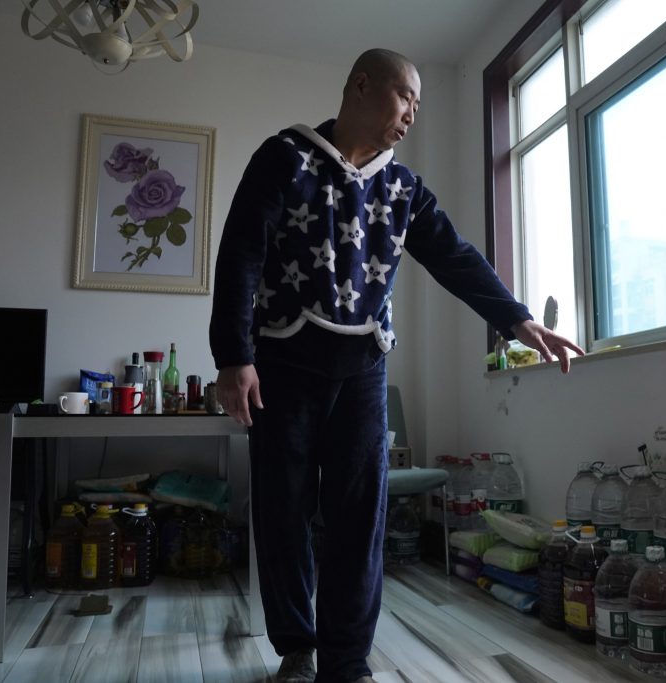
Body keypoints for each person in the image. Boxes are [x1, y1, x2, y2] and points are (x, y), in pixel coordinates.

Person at [209, 48, 583, 683]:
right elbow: (241, 250)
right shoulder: (285, 156)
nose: (412, 113)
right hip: (282, 363)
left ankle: (347, 662)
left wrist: (517, 319)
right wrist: (233, 356)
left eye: (418, 104)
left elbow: (456, 257)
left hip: (362, 370)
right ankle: (297, 647)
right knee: (282, 511)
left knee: (360, 517)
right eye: (405, 96)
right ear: (361, 85)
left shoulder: (404, 187)